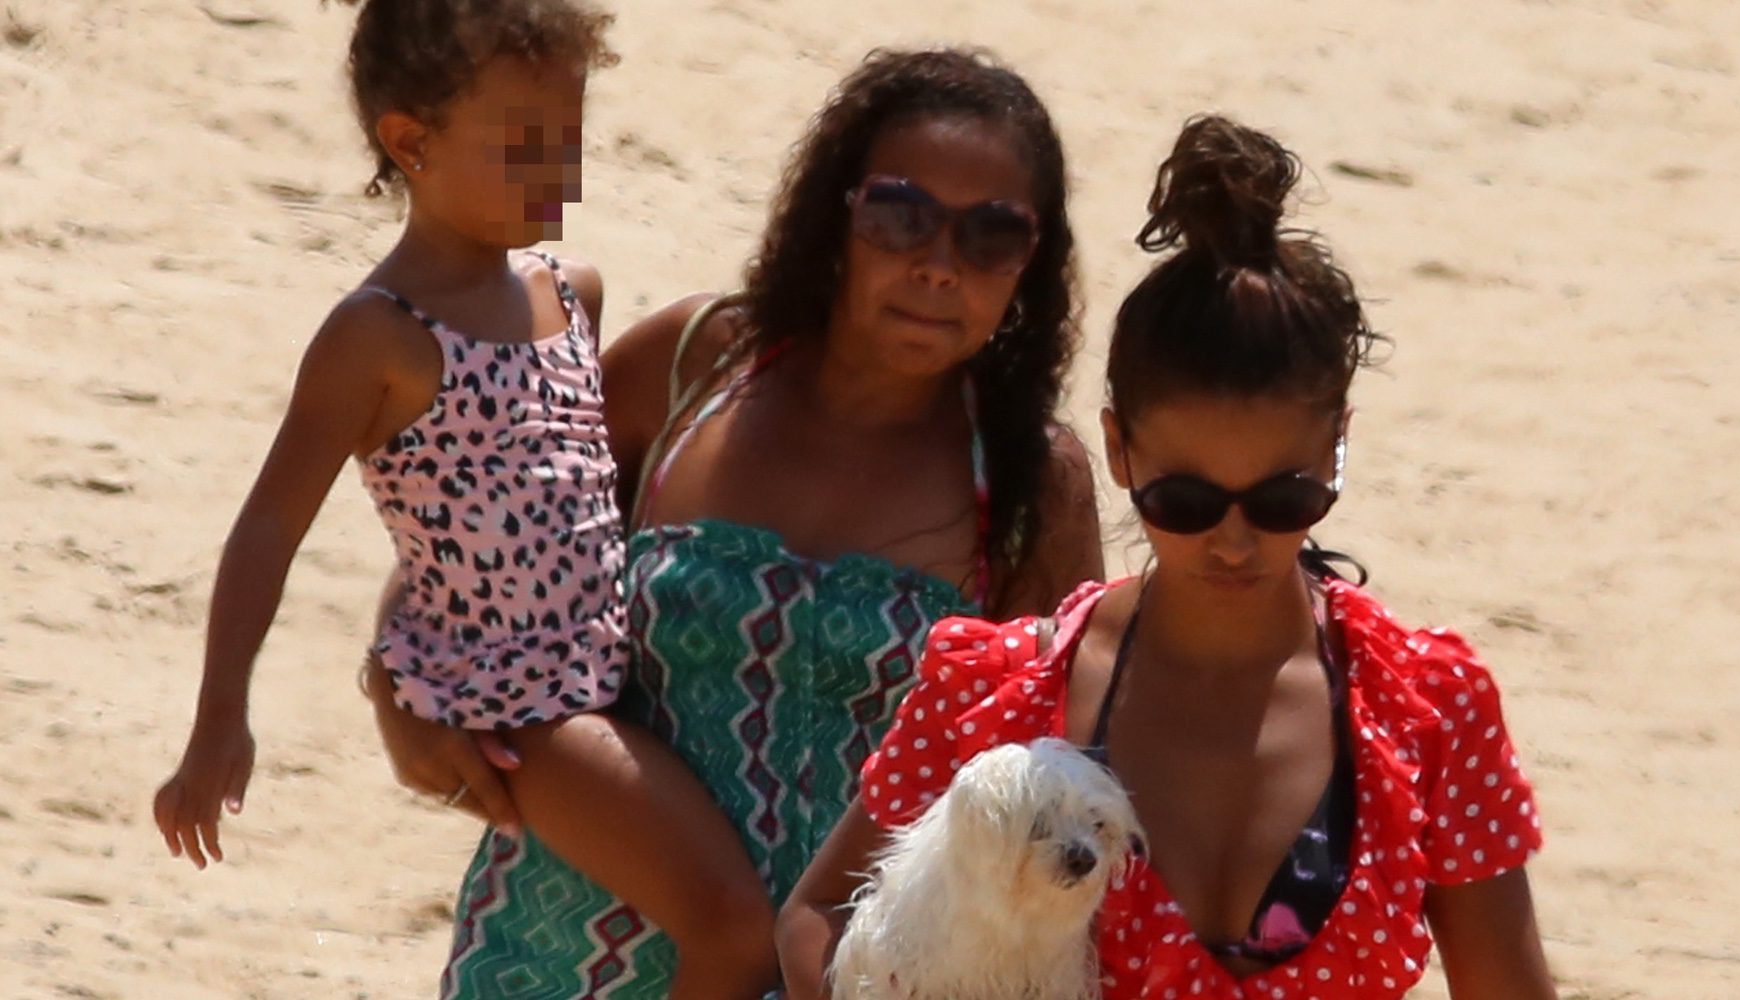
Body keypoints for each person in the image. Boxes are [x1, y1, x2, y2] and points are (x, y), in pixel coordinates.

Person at [367, 47, 1104, 998]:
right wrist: (395, 675)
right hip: (561, 943)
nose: (937, 266)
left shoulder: (1027, 480)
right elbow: (487, 529)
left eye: (990, 236)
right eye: (900, 216)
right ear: (836, 216)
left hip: (840, 974)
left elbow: (1065, 776)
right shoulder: (692, 366)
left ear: (1031, 263)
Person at [781, 116, 1560, 1000]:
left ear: (1339, 451)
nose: (1233, 541)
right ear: (1119, 452)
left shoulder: (1429, 712)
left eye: (1282, 501)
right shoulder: (1001, 691)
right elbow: (820, 918)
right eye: (1184, 503)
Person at [150, 2, 776, 996]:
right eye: (527, 149)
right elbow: (269, 525)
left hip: (617, 669)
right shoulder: (378, 336)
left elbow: (568, 483)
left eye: (569, 142)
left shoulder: (572, 289)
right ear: (412, 141)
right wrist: (221, 715)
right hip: (522, 708)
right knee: (737, 931)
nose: (560, 174)